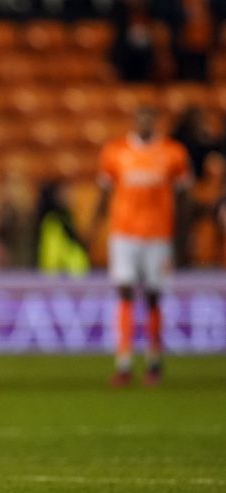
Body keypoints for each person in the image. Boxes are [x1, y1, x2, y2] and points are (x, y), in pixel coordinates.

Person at [93, 105, 192, 387]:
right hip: (123, 233)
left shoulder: (173, 153)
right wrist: (94, 228)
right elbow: (104, 191)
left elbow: (184, 196)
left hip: (159, 234)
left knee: (153, 295)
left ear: (156, 121)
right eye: (141, 117)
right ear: (134, 121)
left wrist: (183, 239)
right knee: (124, 291)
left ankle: (153, 360)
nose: (145, 122)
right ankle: (123, 362)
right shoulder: (115, 151)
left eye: (150, 117)